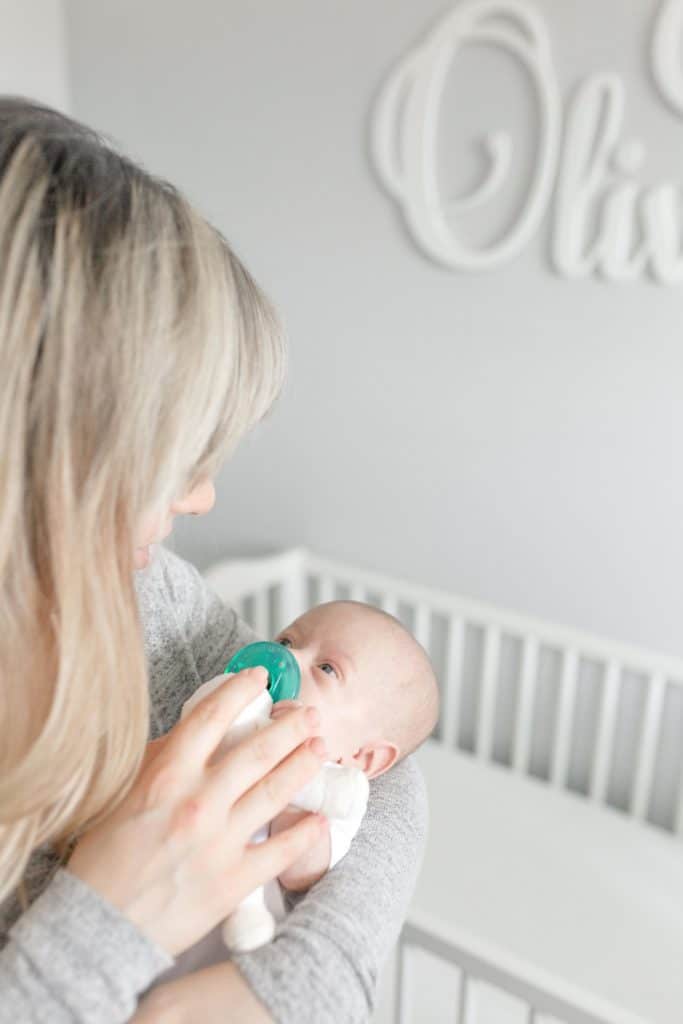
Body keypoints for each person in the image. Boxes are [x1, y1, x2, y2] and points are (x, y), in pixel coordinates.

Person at [0, 98, 428, 1024]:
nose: (201, 500)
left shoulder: (144, 592)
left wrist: (304, 981)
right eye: (174, 456)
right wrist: (105, 918)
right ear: (43, 454)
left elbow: (378, 755)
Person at [158, 599, 439, 983]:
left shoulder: (338, 796)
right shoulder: (238, 725)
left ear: (363, 755)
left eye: (326, 668)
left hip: (224, 962)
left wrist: (292, 774)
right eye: (288, 640)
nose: (285, 658)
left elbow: (298, 870)